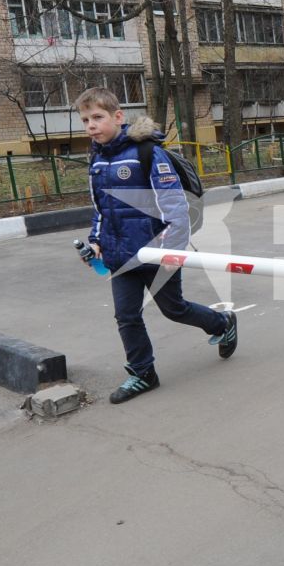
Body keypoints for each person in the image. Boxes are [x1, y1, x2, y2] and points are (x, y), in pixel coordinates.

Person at [78, 88, 237, 404]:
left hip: (156, 252)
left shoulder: (148, 153)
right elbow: (101, 209)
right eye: (85, 120)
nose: (91, 126)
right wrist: (96, 241)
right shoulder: (96, 160)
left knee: (173, 309)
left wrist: (173, 253)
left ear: (118, 117)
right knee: (126, 316)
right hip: (119, 255)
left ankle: (223, 323)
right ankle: (143, 373)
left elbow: (175, 208)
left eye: (98, 117)